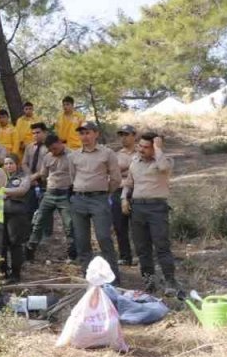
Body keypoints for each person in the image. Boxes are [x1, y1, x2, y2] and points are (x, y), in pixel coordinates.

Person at [124, 132, 177, 294]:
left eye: (146, 147)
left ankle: (170, 281)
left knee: (162, 246)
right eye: (139, 146)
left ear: (154, 148)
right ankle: (149, 280)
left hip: (157, 208)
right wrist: (123, 199)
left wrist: (158, 148)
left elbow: (163, 168)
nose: (141, 150)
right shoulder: (134, 161)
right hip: (137, 207)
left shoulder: (165, 160)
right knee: (142, 247)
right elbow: (129, 183)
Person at [67, 121, 121, 273]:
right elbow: (73, 177)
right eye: (82, 133)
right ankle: (87, 274)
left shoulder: (107, 153)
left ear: (96, 134)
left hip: (99, 199)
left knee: (104, 237)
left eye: (88, 132)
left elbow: (116, 178)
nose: (84, 136)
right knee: (82, 240)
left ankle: (113, 276)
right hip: (79, 200)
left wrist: (104, 193)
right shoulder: (73, 156)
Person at [26, 133, 77, 263]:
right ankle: (30, 252)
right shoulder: (48, 157)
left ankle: (72, 254)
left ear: (60, 143)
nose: (53, 151)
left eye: (55, 148)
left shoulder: (72, 155)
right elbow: (43, 174)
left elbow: (77, 174)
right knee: (38, 222)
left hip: (65, 194)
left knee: (69, 225)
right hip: (49, 193)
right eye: (51, 150)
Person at [2, 156, 35, 283]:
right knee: (2, 245)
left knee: (15, 244)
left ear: (17, 164)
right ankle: (3, 272)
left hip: (17, 215)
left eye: (11, 163)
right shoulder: (1, 177)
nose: (8, 166)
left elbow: (21, 190)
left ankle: (16, 274)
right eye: (6, 164)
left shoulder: (23, 177)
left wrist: (3, 191)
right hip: (1, 214)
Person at [113, 125, 138, 266]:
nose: (124, 137)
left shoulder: (140, 152)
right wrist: (129, 168)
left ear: (134, 135)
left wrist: (126, 170)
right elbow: (112, 174)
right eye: (121, 135)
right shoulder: (116, 155)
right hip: (118, 191)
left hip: (137, 191)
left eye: (126, 134)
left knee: (138, 225)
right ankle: (125, 255)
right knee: (119, 225)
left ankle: (140, 255)